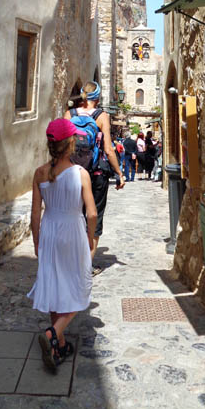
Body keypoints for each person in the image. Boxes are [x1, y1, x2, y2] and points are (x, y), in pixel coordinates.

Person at [28, 118, 97, 371]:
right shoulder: (81, 174)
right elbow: (91, 214)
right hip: (72, 231)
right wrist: (90, 240)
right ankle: (52, 334)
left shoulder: (39, 173)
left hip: (50, 230)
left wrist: (37, 242)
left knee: (54, 282)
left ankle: (59, 343)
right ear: (70, 144)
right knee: (79, 285)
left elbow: (35, 214)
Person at [64, 81, 125, 272]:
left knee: (73, 215)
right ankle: (85, 266)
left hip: (72, 172)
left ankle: (69, 260)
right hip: (95, 174)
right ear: (97, 98)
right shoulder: (101, 116)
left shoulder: (69, 114)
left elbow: (62, 144)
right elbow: (108, 148)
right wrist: (119, 173)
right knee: (94, 218)